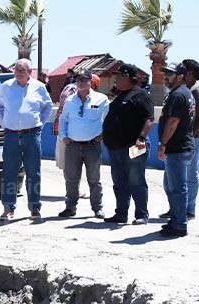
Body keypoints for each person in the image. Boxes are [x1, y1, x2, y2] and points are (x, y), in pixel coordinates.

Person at [0, 58, 53, 221]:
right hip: (11, 135)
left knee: (34, 172)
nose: (19, 72)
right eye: (17, 69)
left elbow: (47, 106)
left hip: (31, 135)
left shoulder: (39, 87)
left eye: (22, 69)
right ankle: (8, 208)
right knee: (9, 172)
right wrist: (4, 122)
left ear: (29, 71)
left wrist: (39, 124)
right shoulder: (6, 87)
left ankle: (35, 207)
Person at [102, 63, 155, 225]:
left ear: (130, 78)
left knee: (136, 180)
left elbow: (150, 119)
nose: (116, 79)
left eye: (120, 76)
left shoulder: (140, 95)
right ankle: (121, 214)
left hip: (134, 146)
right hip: (115, 148)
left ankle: (141, 215)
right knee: (119, 183)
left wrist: (141, 138)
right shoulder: (119, 96)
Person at [160, 59, 199, 221]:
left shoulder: (196, 90)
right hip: (179, 140)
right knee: (172, 178)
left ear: (188, 74)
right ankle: (176, 209)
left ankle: (188, 210)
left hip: (190, 140)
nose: (167, 76)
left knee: (189, 177)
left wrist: (192, 134)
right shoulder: (181, 90)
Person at [56, 69, 108, 218]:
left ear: (90, 82)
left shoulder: (101, 99)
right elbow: (63, 119)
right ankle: (70, 207)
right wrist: (63, 136)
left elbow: (109, 119)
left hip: (93, 145)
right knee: (71, 179)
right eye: (78, 80)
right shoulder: (70, 100)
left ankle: (97, 208)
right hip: (72, 145)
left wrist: (103, 135)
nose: (80, 83)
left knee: (94, 179)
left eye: (84, 80)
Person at [157, 63, 196, 238]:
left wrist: (163, 143)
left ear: (180, 76)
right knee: (171, 186)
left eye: (170, 74)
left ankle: (180, 225)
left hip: (177, 148)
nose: (166, 77)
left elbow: (173, 122)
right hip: (179, 147)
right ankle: (175, 220)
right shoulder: (182, 93)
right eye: (165, 74)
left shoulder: (179, 95)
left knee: (178, 188)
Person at [53, 70, 78, 170]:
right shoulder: (74, 91)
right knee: (72, 166)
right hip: (71, 132)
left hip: (62, 130)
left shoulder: (68, 88)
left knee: (67, 166)